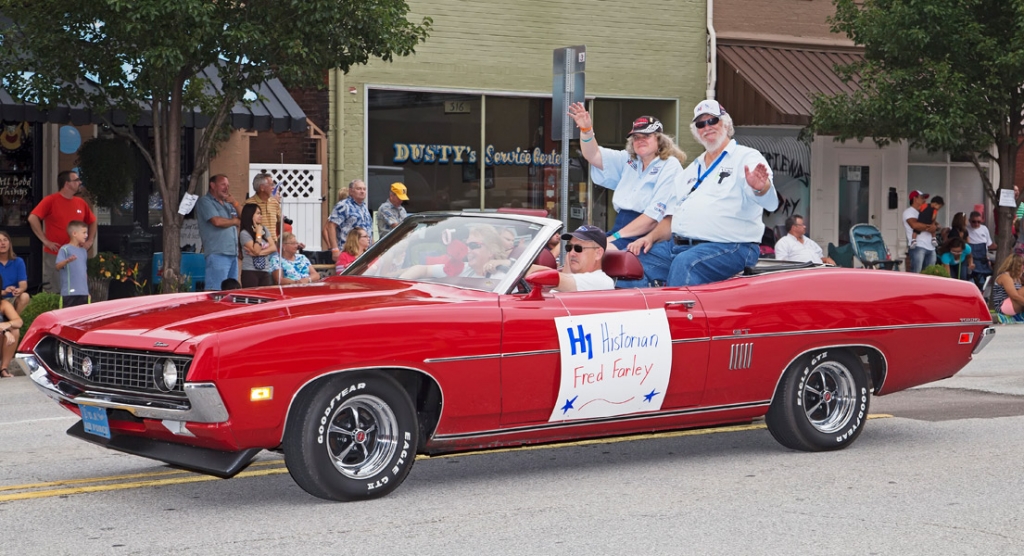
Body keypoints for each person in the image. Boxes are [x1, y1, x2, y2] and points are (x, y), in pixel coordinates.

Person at [623, 100, 778, 287]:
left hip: (731, 247)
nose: (707, 127)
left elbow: (771, 203)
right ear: (696, 132)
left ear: (726, 124)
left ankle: (677, 315)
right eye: (700, 124)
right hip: (680, 246)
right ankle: (644, 315)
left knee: (686, 264)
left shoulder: (747, 157)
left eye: (713, 120)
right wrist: (649, 237)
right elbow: (671, 218)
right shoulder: (691, 170)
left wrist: (760, 187)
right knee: (632, 262)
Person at [567, 102, 686, 250]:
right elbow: (593, 155)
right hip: (621, 227)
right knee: (573, 247)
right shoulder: (629, 160)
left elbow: (652, 218)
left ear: (659, 140)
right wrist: (586, 130)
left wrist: (614, 237)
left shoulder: (670, 165)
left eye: (646, 136)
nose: (640, 140)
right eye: (636, 137)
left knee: (590, 252)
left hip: (644, 233)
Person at [28, 170, 97, 294]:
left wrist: (90, 240)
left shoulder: (80, 202)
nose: (79, 182)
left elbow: (92, 221)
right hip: (55, 253)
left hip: (76, 253)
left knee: (76, 289)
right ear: (66, 184)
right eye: (76, 180)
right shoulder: (51, 200)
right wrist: (45, 241)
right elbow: (32, 218)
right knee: (55, 289)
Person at [400, 224, 506, 280]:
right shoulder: (462, 268)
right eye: (467, 245)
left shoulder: (501, 279)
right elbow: (423, 269)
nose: (468, 250)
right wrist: (400, 286)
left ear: (491, 250)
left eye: (473, 245)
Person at [527, 225, 613, 292]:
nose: (571, 253)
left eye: (578, 248)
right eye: (569, 247)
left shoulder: (601, 282)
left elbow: (553, 278)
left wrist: (518, 268)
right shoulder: (571, 279)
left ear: (598, 253)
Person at [196, 174, 241, 290]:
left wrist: (235, 203)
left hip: (233, 253)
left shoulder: (228, 204)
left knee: (231, 292)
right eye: (223, 185)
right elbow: (216, 221)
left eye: (228, 185)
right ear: (212, 185)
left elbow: (244, 218)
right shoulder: (205, 201)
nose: (226, 188)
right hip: (217, 253)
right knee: (216, 291)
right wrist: (235, 221)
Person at [323, 179, 371, 262]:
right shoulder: (343, 205)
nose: (362, 191)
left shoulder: (364, 207)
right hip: (348, 252)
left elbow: (369, 230)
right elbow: (331, 226)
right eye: (359, 189)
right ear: (351, 191)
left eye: (364, 189)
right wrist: (334, 249)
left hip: (364, 252)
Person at [238, 204, 277, 287]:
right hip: (250, 271)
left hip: (265, 271)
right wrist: (258, 234)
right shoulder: (244, 233)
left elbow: (273, 247)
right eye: (258, 213)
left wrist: (258, 253)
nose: (261, 216)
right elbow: (256, 250)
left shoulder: (264, 229)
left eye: (261, 213)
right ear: (250, 215)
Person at [55, 221, 90, 307]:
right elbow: (58, 266)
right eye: (84, 233)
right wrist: (67, 261)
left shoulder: (83, 251)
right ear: (74, 233)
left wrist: (87, 291)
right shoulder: (65, 249)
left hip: (83, 293)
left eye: (87, 233)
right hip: (69, 293)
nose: (86, 235)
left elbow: (84, 272)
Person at [903, 190, 938, 273]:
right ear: (915, 199)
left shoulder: (925, 211)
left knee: (930, 274)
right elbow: (914, 225)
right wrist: (931, 227)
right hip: (918, 246)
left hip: (931, 247)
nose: (924, 200)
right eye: (922, 198)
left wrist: (935, 227)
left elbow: (936, 225)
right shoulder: (909, 212)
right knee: (916, 274)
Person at [244, 172, 283, 244]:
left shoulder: (274, 202)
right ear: (262, 188)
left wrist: (281, 238)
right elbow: (245, 226)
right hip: (257, 246)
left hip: (273, 246)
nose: (273, 187)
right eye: (271, 184)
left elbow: (280, 221)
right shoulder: (249, 204)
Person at [0, 231, 30, 313]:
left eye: (5, 240)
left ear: (9, 243)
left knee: (25, 296)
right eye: (0, 241)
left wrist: (19, 290)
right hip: (1, 298)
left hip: (13, 298)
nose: (3, 243)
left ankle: (15, 322)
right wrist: (4, 292)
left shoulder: (18, 261)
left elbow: (23, 284)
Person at [967, 211, 996, 290]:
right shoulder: (966, 229)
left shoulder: (984, 228)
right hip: (971, 257)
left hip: (983, 257)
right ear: (969, 221)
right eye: (974, 221)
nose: (976, 224)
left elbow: (989, 244)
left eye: (979, 222)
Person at [992, 252, 1024, 322]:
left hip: (1012, 304)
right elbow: (1014, 296)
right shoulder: (1005, 277)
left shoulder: (1017, 278)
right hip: (1003, 307)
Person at [0, 289, 23, 378]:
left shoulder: (3, 304)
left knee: (14, 330)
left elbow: (19, 322)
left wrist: (8, 324)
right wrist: (5, 331)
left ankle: (3, 368)